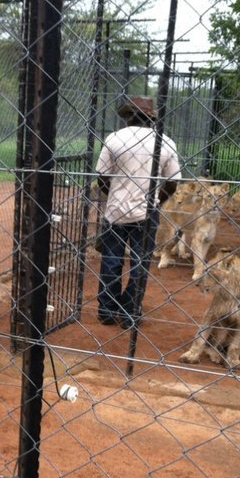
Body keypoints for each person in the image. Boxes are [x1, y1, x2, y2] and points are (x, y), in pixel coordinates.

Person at [95, 95, 181, 328]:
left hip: (115, 210)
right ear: (151, 119)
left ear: (129, 117)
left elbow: (102, 178)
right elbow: (172, 183)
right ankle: (130, 311)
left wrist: (115, 194)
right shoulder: (165, 142)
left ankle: (107, 309)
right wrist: (157, 201)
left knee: (112, 260)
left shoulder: (114, 139)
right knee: (139, 263)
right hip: (147, 210)